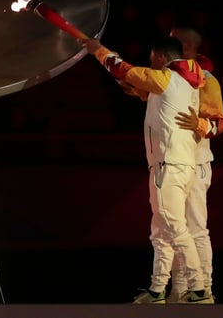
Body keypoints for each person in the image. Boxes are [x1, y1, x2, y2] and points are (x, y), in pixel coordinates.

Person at [79, 34, 211, 304]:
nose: (150, 62)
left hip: (169, 166)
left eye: (152, 58)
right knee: (162, 230)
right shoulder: (188, 83)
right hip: (178, 165)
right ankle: (158, 290)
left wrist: (97, 50)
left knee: (175, 227)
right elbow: (133, 83)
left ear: (161, 58)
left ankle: (199, 289)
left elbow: (121, 67)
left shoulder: (164, 78)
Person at [168, 26, 223, 304]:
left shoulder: (208, 80)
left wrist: (203, 125)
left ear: (189, 49)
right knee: (176, 230)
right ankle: (179, 291)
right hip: (176, 162)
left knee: (195, 228)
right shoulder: (171, 77)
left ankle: (205, 289)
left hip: (197, 161)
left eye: (175, 44)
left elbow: (221, 122)